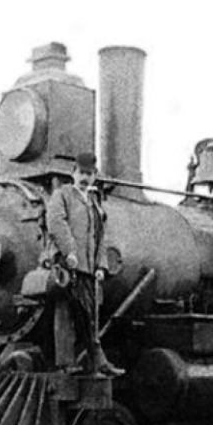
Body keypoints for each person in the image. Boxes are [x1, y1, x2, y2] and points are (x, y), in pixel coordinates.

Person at [46, 152, 124, 376]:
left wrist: (101, 266)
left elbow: (100, 236)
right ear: (74, 172)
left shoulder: (93, 203)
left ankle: (98, 362)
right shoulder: (62, 195)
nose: (85, 178)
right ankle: (65, 363)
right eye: (81, 173)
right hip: (67, 264)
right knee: (66, 312)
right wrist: (69, 251)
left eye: (89, 174)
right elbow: (56, 223)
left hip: (88, 268)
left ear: (94, 176)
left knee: (90, 316)